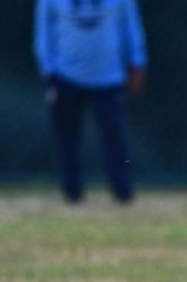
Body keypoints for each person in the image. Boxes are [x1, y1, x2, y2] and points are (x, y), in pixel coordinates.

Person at [33, 0, 148, 204]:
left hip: (109, 77)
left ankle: (123, 193)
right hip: (65, 76)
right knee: (67, 137)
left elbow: (131, 25)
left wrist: (137, 62)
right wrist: (49, 72)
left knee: (114, 136)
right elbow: (43, 31)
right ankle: (72, 193)